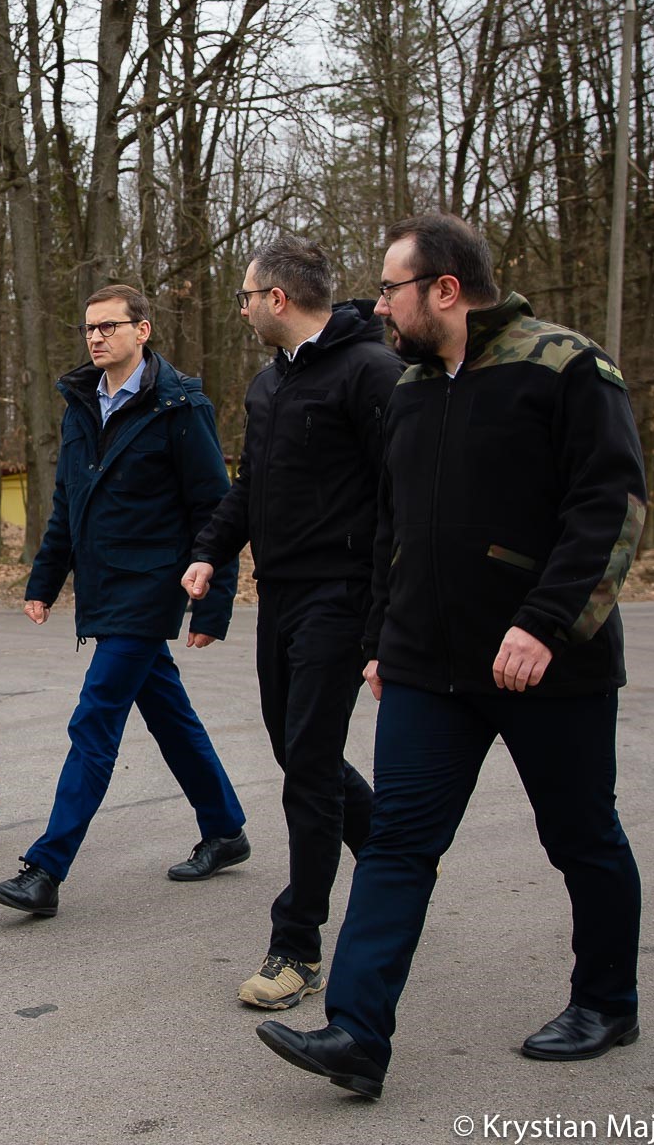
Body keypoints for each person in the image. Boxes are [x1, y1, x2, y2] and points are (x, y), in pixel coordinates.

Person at [258, 213, 648, 1101]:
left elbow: (611, 507)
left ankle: (607, 1002)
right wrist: (380, 641)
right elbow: (393, 527)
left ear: (444, 289)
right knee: (397, 843)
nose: (377, 306)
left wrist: (544, 624)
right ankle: (358, 1034)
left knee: (582, 837)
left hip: (549, 665)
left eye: (390, 289)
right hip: (429, 668)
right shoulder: (411, 389)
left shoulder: (565, 366)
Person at [181, 236, 402, 1010]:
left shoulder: (372, 373)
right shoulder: (268, 384)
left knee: (307, 763)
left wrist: (385, 619)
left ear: (277, 298)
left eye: (246, 296)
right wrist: (210, 552)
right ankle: (390, 855)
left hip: (341, 597)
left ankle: (297, 946)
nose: (242, 310)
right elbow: (250, 486)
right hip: (279, 595)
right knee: (293, 746)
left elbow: (400, 501)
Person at [0, 284, 247, 920]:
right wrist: (44, 580)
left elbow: (215, 507)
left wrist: (213, 604)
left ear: (142, 330)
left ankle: (46, 868)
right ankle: (224, 828)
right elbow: (68, 502)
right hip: (104, 587)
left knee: (95, 718)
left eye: (108, 326)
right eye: (89, 328)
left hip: (152, 587)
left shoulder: (180, 406)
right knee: (169, 714)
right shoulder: (81, 404)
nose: (96, 337)